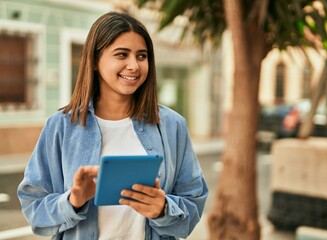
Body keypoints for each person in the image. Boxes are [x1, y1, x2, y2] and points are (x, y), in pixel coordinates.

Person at [17, 11, 208, 240]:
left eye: (141, 56)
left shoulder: (171, 126)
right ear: (95, 61)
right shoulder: (61, 127)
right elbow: (33, 206)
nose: (134, 66)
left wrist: (163, 209)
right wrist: (73, 201)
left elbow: (194, 201)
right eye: (121, 54)